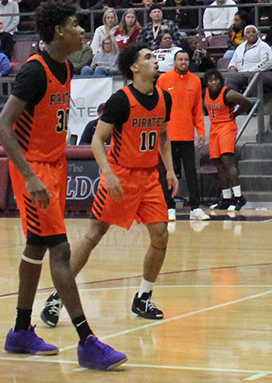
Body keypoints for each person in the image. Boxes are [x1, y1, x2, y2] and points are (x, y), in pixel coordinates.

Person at [0, 4, 128, 368]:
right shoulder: (35, 72)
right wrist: (31, 176)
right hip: (34, 170)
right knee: (60, 250)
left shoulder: (66, 67)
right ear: (56, 31)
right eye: (73, 25)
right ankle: (87, 340)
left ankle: (20, 332)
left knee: (36, 247)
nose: (81, 31)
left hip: (55, 166)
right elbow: (3, 127)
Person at [38, 44, 174, 335]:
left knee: (161, 234)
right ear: (135, 68)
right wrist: (108, 173)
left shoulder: (165, 98)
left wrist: (171, 171)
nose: (155, 60)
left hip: (150, 178)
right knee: (94, 234)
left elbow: (163, 136)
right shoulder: (120, 101)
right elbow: (97, 140)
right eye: (148, 57)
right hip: (121, 175)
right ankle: (57, 297)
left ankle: (143, 297)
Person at [158, 47, 208, 219]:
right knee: (166, 172)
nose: (184, 62)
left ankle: (195, 208)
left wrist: (201, 131)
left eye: (186, 60)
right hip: (167, 136)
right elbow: (157, 106)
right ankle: (169, 207)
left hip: (187, 135)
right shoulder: (163, 79)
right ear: (175, 62)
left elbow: (198, 110)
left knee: (191, 172)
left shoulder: (195, 80)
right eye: (181, 60)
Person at [203, 70, 251, 213]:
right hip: (214, 128)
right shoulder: (204, 93)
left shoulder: (227, 93)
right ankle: (226, 198)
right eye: (210, 80)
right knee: (218, 162)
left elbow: (246, 102)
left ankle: (239, 197)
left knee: (227, 160)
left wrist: (235, 113)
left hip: (226, 126)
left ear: (220, 81)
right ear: (206, 82)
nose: (213, 82)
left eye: (216, 80)